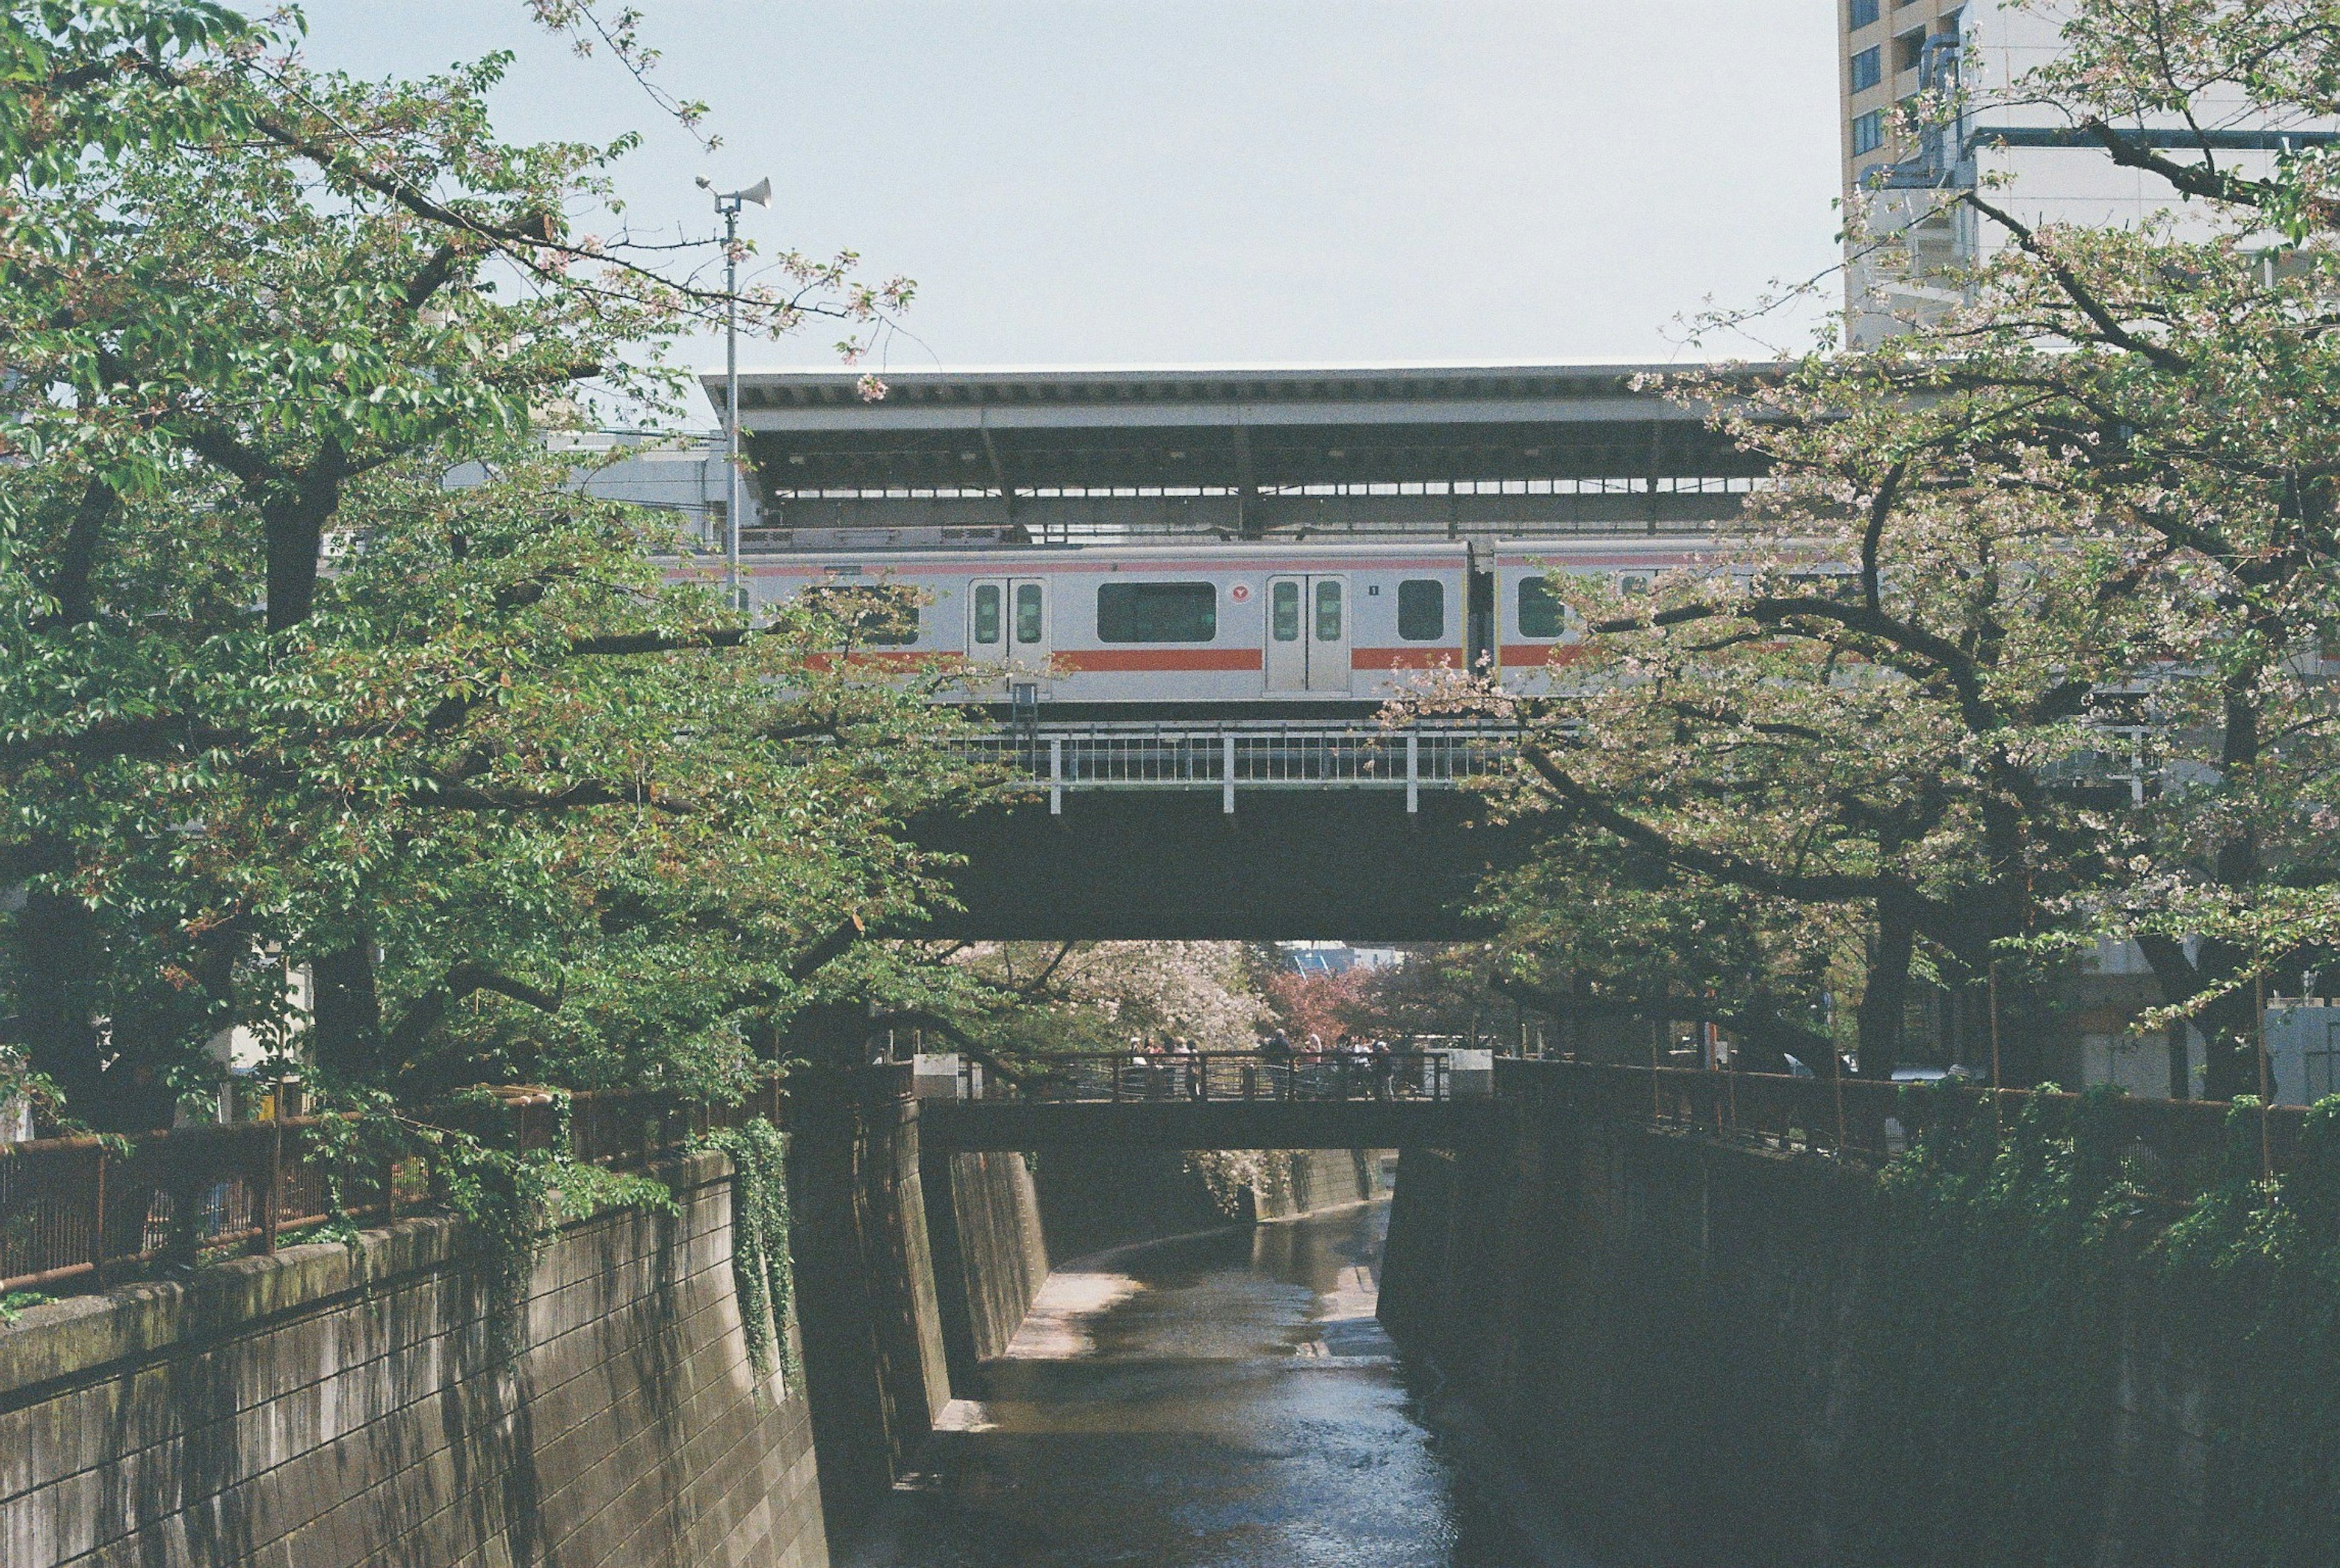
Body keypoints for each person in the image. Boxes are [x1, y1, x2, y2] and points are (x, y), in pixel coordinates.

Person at [1370, 1037, 1395, 1101]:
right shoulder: (1380, 1055)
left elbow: (1389, 1064)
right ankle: (1380, 1098)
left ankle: (1390, 1099)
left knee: (1387, 1086)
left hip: (1387, 1072)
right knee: (1379, 1085)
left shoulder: (1388, 1055)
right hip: (1380, 1071)